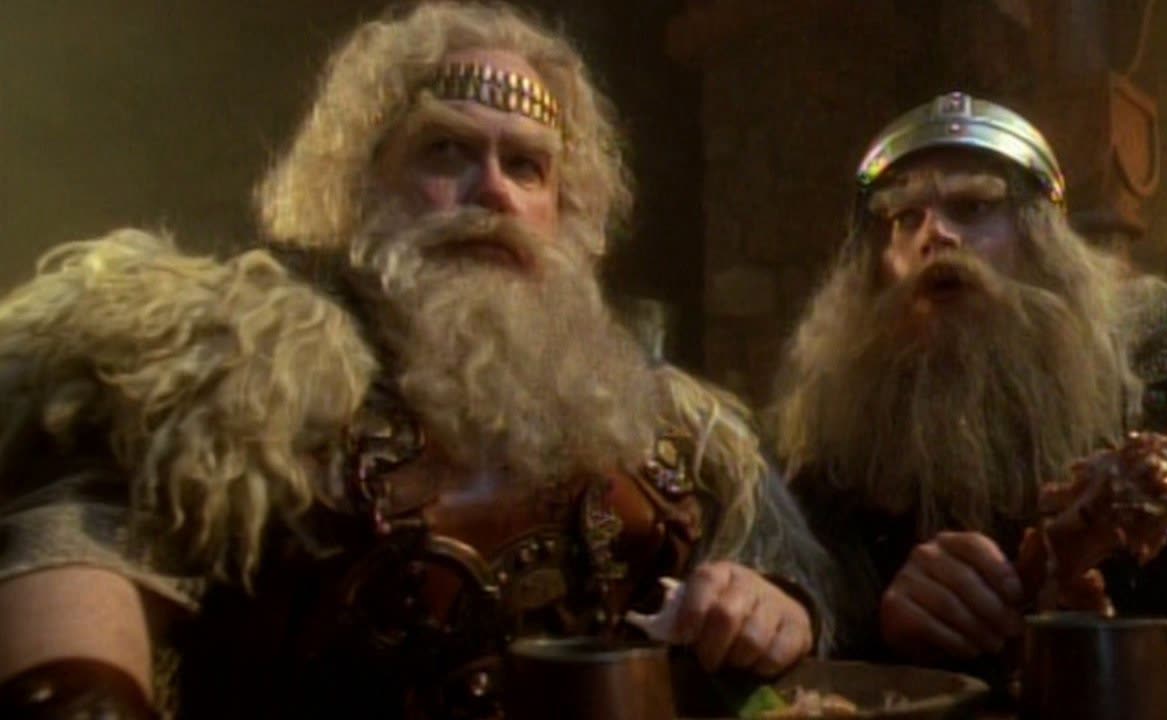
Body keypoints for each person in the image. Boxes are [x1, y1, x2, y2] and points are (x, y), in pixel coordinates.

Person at [0, 3, 832, 718]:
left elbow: (799, 581)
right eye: (445, 151)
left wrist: (778, 607)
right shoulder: (233, 369)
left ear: (564, 210)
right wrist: (81, 687)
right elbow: (76, 531)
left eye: (526, 166)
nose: (493, 191)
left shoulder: (663, 421)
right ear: (362, 183)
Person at [772, 91, 1167, 669]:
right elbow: (808, 623)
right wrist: (883, 626)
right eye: (905, 218)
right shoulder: (839, 437)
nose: (935, 235)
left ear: (1043, 239)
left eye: (972, 208)